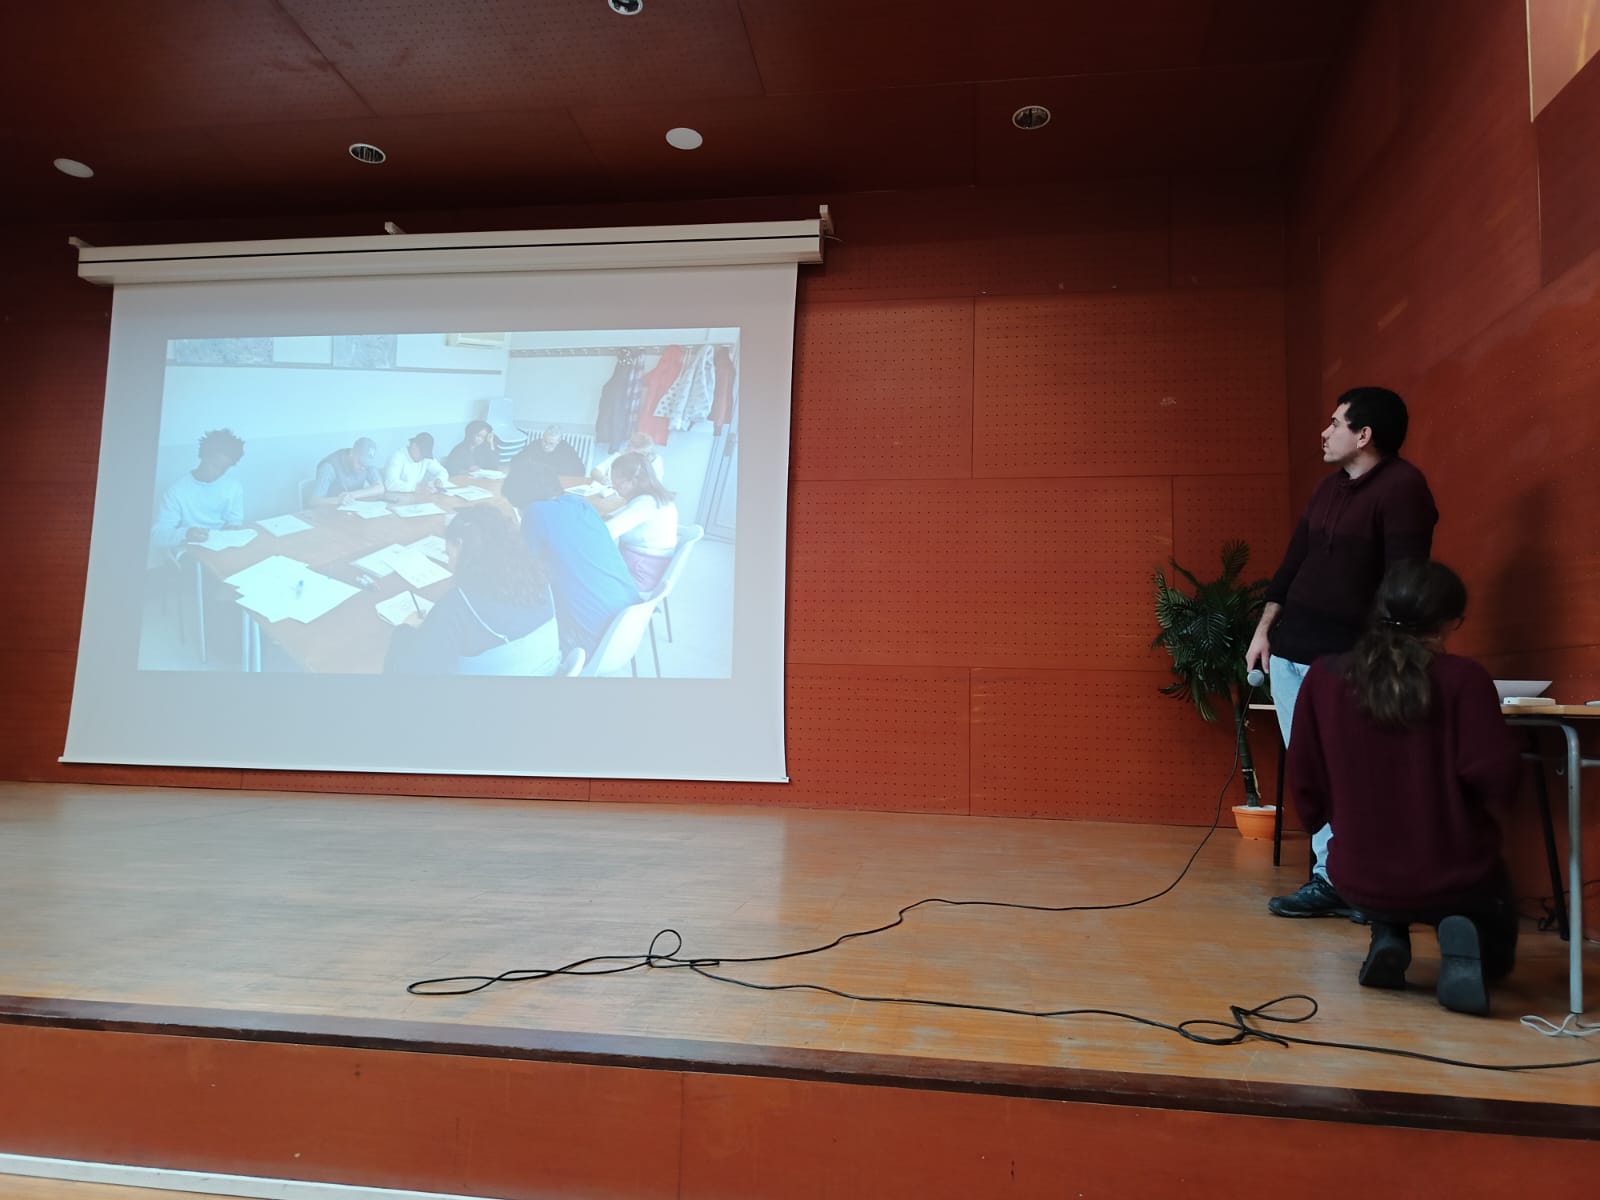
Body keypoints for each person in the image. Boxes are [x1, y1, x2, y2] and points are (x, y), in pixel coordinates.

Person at [1286, 561, 1520, 1015]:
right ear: (1448, 621)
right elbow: (1496, 776)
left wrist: (1321, 819)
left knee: (1388, 879)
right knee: (1489, 904)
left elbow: (1305, 778)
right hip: (1454, 875)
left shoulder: (1324, 678)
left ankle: (1388, 930)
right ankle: (1460, 932)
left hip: (1357, 876)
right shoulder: (1464, 679)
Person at [1244, 386, 1438, 920]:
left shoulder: (1403, 489)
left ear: (1364, 434)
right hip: (1291, 655)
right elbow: (1292, 565)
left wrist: (1386, 655)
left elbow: (1404, 583)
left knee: (1355, 770)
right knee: (1314, 771)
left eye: (1335, 423)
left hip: (1351, 658)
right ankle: (1334, 878)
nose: (1325, 432)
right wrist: (1264, 631)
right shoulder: (1327, 489)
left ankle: (1366, 881)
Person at [384, 507, 559, 676]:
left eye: (449, 554)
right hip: (547, 676)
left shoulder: (458, 606)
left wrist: (405, 630)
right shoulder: (539, 580)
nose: (449, 563)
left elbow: (408, 678)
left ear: (461, 545)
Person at [503, 450, 640, 659]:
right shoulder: (581, 504)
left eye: (518, 508)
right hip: (627, 628)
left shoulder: (535, 511)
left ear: (524, 500)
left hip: (587, 644)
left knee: (509, 620)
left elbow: (523, 571)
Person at [151, 429, 246, 549]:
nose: (217, 473)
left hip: (221, 547)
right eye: (214, 465)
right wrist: (186, 534)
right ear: (203, 456)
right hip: (189, 547)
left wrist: (233, 528)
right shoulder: (176, 491)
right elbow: (157, 534)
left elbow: (234, 521)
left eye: (224, 469)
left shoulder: (234, 486)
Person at [605, 451, 678, 591]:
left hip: (639, 575)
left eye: (617, 486)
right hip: (647, 567)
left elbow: (607, 532)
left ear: (633, 481)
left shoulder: (646, 504)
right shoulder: (655, 498)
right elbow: (615, 517)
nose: (616, 491)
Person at [309, 437, 383, 506]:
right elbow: (314, 501)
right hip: (329, 511)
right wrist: (338, 500)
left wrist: (352, 495)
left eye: (367, 465)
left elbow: (380, 488)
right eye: (361, 463)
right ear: (352, 453)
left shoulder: (366, 464)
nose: (363, 468)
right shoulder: (329, 467)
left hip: (352, 509)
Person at [382, 432, 450, 496]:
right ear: (414, 446)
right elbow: (390, 484)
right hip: (396, 498)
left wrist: (439, 480)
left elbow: (442, 472)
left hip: (415, 497)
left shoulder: (425, 457)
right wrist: (416, 488)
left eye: (425, 454)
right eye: (422, 453)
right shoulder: (397, 457)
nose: (423, 457)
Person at [591, 431, 665, 488]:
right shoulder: (621, 455)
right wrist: (603, 479)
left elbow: (655, 485)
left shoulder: (655, 460)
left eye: (643, 453)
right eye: (633, 452)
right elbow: (595, 471)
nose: (637, 457)